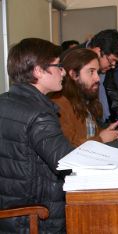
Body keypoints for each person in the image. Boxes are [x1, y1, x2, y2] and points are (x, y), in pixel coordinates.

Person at [0, 38, 74, 233]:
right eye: (59, 66)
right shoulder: (38, 114)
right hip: (36, 220)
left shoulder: (6, 102)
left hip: (10, 217)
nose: (63, 72)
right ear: (38, 71)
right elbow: (68, 162)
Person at [52, 48, 118, 151]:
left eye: (97, 72)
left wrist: (109, 133)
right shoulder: (59, 105)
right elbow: (66, 149)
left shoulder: (84, 99)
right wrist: (101, 138)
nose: (97, 78)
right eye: (91, 72)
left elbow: (88, 135)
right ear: (73, 74)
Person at [80, 29, 118, 125]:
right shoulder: (74, 59)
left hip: (99, 121)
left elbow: (112, 91)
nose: (113, 66)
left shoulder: (105, 66)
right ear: (98, 51)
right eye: (111, 61)